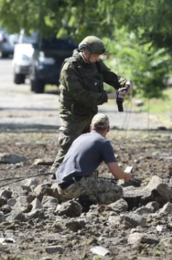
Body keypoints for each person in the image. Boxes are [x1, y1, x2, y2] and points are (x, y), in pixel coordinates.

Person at [52, 36, 132, 170]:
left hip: (89, 113)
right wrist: (111, 96)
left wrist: (125, 83)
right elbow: (82, 95)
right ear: (85, 52)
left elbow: (109, 76)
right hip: (73, 116)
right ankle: (52, 180)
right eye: (95, 56)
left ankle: (83, 178)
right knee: (68, 148)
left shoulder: (96, 63)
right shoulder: (70, 68)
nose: (97, 59)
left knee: (87, 149)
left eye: (98, 56)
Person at [55, 113, 132, 208]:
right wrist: (126, 175)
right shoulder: (104, 143)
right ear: (108, 129)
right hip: (73, 187)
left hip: (60, 186)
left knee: (94, 173)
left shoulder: (80, 138)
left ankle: (76, 198)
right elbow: (117, 174)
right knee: (117, 191)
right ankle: (87, 202)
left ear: (91, 127)